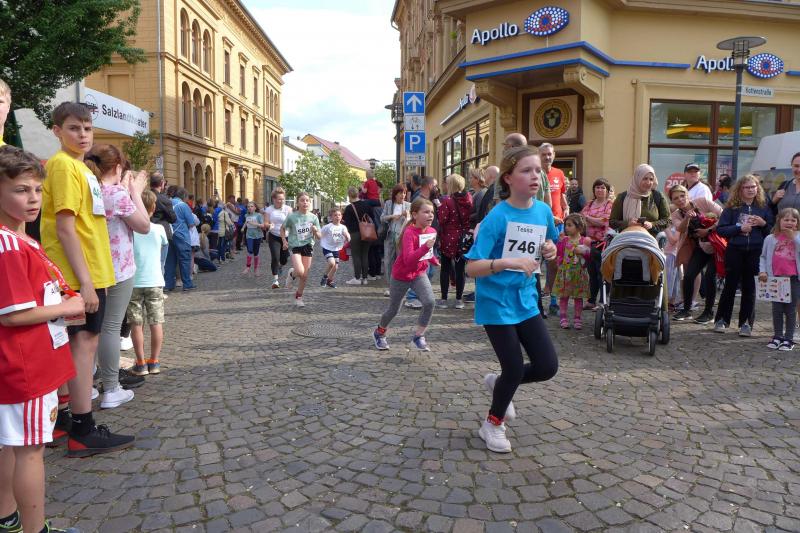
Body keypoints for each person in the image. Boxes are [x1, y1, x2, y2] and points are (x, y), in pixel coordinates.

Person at [40, 102, 135, 457]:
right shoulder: (64, 166)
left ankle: (66, 418)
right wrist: (86, 282)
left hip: (91, 271)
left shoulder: (80, 168)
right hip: (79, 276)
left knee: (80, 346)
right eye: (74, 128)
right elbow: (65, 228)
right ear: (57, 131)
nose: (82, 134)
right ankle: (83, 427)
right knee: (83, 347)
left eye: (87, 128)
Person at [0, 146, 84, 533]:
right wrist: (65, 307)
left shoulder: (20, 239)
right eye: (21, 190)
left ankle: (7, 517)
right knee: (30, 451)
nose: (33, 198)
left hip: (27, 361)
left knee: (12, 444)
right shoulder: (9, 247)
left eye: (37, 189)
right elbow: (12, 315)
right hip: (27, 365)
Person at [464, 145, 558, 454]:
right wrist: (506, 262)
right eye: (526, 170)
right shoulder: (497, 217)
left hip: (526, 299)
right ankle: (492, 424)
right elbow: (471, 268)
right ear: (508, 178)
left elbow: (550, 244)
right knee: (514, 367)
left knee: (547, 366)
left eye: (537, 170)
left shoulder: (543, 211)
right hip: (496, 301)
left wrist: (550, 249)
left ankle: (499, 382)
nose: (535, 176)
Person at [88, 145, 150, 408]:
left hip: (92, 267)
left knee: (90, 330)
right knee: (111, 327)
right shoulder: (115, 194)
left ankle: (87, 385)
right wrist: (135, 191)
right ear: (117, 167)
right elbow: (144, 225)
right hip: (119, 267)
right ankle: (111, 388)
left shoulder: (90, 188)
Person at [372, 198, 440, 352]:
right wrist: (425, 248)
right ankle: (379, 332)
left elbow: (427, 253)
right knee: (394, 309)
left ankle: (419, 336)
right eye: (426, 212)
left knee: (429, 302)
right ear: (415, 215)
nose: (430, 215)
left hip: (419, 274)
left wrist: (434, 260)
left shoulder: (432, 231)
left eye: (432, 212)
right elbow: (409, 260)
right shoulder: (409, 233)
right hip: (401, 275)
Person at [713, 175, 773, 335]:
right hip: (735, 250)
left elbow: (772, 231)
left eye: (754, 187)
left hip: (755, 251)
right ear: (740, 189)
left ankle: (746, 323)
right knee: (730, 286)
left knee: (750, 287)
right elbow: (721, 229)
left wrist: (763, 224)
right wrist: (739, 228)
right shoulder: (732, 207)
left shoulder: (763, 207)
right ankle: (722, 320)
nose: (751, 190)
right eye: (747, 187)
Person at [127, 190, 168, 377]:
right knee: (156, 322)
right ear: (153, 208)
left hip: (134, 281)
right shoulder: (159, 229)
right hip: (155, 281)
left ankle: (141, 362)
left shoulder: (129, 230)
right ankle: (155, 361)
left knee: (136, 323)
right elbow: (164, 249)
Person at [669, 185, 722, 322]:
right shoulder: (676, 215)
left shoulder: (702, 201)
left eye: (682, 196)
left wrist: (709, 230)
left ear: (687, 195)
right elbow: (680, 228)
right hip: (700, 247)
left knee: (710, 276)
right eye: (676, 198)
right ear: (672, 201)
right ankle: (687, 310)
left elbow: (723, 215)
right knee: (689, 275)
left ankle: (709, 312)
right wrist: (686, 218)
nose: (680, 200)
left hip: (716, 244)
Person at [759, 208, 800, 351]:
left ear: (797, 223)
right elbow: (763, 257)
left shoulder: (798, 237)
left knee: (790, 309)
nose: (789, 222)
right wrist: (763, 271)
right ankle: (777, 336)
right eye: (786, 219)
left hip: (793, 279)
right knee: (777, 309)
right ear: (779, 221)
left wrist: (794, 237)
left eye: (793, 220)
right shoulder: (770, 238)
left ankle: (789, 338)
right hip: (775, 279)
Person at [436, 173, 473, 309]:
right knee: (460, 269)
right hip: (463, 238)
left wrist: (439, 209)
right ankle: (458, 300)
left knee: (445, 269)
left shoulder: (447, 201)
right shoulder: (469, 199)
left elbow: (442, 220)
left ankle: (444, 299)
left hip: (449, 238)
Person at [539, 143, 568, 315]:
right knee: (536, 264)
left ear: (554, 155)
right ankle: (536, 304)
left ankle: (554, 302)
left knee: (554, 264)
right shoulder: (535, 173)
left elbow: (562, 195)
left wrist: (566, 208)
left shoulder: (559, 173)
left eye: (549, 154)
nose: (547, 157)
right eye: (543, 154)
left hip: (557, 226)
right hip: (539, 224)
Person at [281, 192, 321, 307]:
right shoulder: (292, 217)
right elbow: (282, 229)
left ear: (310, 203)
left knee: (304, 276)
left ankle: (298, 297)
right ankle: (292, 274)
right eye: (302, 200)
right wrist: (284, 241)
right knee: (300, 271)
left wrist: (315, 231)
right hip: (295, 246)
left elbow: (319, 236)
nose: (305, 202)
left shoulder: (313, 217)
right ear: (297, 203)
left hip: (308, 246)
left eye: (307, 200)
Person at [609, 163, 671, 238]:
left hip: (651, 241)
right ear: (637, 178)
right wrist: (628, 223)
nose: (648, 182)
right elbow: (612, 222)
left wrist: (652, 224)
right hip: (626, 240)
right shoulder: (622, 197)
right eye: (645, 178)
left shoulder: (658, 196)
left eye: (651, 179)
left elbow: (667, 220)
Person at [553, 213, 592, 329]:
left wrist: (584, 252)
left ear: (579, 227)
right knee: (564, 296)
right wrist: (560, 242)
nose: (566, 228)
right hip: (565, 273)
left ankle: (577, 318)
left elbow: (589, 257)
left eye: (570, 225)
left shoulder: (584, 241)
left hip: (579, 273)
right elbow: (559, 253)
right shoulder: (565, 240)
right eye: (566, 225)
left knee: (578, 297)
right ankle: (563, 317)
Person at [581, 178, 613, 309]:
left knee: (602, 273)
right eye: (597, 187)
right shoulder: (589, 204)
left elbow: (604, 222)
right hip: (589, 243)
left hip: (603, 243)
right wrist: (595, 220)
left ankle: (603, 301)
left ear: (607, 191)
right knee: (592, 273)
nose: (600, 190)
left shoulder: (609, 204)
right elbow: (581, 220)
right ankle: (591, 300)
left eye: (603, 188)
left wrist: (589, 218)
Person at [164, 188, 196, 291]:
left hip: (169, 234)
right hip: (182, 236)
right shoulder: (183, 206)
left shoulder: (167, 203)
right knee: (185, 260)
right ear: (184, 196)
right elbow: (191, 223)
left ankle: (168, 284)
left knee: (170, 261)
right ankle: (187, 284)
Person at [381, 184, 411, 295]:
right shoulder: (389, 204)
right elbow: (382, 218)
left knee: (402, 261)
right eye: (400, 193)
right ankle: (391, 287)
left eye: (404, 193)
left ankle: (402, 286)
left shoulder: (408, 205)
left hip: (402, 237)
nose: (403, 195)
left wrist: (407, 216)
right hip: (390, 235)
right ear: (395, 194)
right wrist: (392, 216)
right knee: (388, 261)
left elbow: (412, 221)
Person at [342, 186, 374, 285]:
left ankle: (357, 278)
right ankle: (365, 279)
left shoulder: (349, 208)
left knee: (356, 255)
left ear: (349, 195)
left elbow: (346, 222)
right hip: (367, 232)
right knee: (365, 255)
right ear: (358, 194)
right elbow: (372, 217)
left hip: (354, 233)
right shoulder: (366, 204)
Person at [264, 188, 292, 288]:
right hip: (274, 236)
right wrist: (268, 225)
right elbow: (265, 223)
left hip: (286, 236)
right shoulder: (269, 210)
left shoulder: (288, 209)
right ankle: (275, 280)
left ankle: (280, 266)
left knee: (284, 259)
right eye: (279, 199)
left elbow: (291, 223)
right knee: (275, 257)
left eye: (283, 199)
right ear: (274, 199)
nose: (281, 201)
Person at [149, 172, 176, 269]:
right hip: (161, 233)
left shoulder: (144, 196)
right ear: (161, 183)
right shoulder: (164, 200)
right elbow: (173, 218)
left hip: (145, 231)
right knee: (161, 264)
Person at [319, 207, 351, 288]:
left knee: (335, 267)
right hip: (327, 248)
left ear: (341, 216)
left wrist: (347, 237)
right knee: (331, 263)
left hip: (336, 249)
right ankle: (324, 277)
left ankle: (329, 281)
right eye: (335, 215)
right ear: (331, 217)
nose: (337, 217)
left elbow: (347, 236)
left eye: (339, 215)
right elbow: (319, 235)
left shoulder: (343, 227)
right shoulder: (327, 227)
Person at [242, 201, 265, 277]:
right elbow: (246, 222)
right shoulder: (246, 215)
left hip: (257, 236)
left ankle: (256, 269)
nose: (250, 208)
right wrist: (243, 227)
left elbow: (262, 225)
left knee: (256, 252)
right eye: (248, 206)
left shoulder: (258, 215)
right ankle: (248, 267)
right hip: (249, 235)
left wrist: (255, 224)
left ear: (255, 208)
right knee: (250, 250)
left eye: (251, 206)